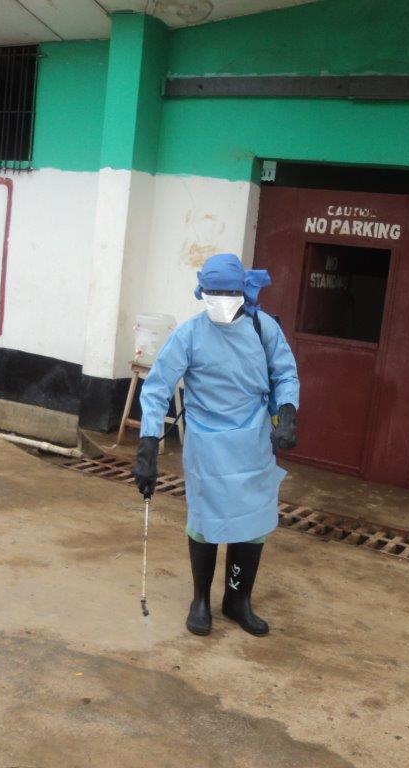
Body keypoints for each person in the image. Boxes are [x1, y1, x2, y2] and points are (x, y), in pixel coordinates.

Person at [132, 253, 299, 637]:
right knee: (206, 522)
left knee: (252, 522)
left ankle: (238, 600)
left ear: (242, 291)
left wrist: (287, 412)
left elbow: (285, 373)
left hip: (254, 440)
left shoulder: (263, 329)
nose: (220, 298)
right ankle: (201, 600)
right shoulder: (189, 334)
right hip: (206, 443)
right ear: (201, 292)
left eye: (227, 291)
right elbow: (157, 389)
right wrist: (147, 445)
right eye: (213, 291)